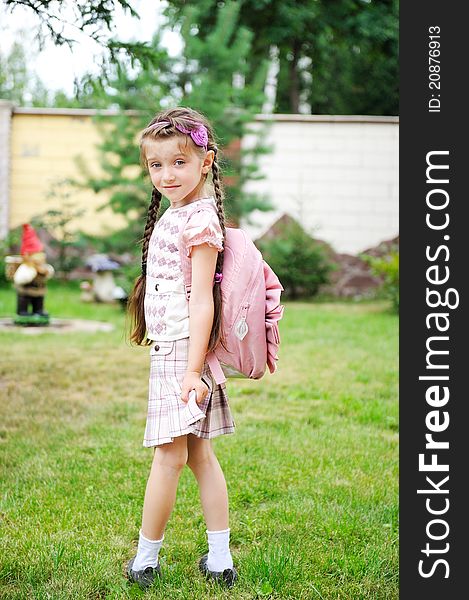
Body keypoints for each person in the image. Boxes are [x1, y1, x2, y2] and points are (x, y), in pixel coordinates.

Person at [126, 107, 237, 590]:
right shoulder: (180, 213)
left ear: (206, 162)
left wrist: (193, 371)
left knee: (168, 459)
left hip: (182, 355)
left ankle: (145, 563)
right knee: (198, 457)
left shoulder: (199, 221)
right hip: (177, 351)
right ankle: (219, 560)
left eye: (179, 162)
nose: (166, 175)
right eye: (156, 165)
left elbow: (203, 304)